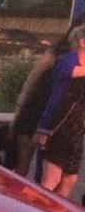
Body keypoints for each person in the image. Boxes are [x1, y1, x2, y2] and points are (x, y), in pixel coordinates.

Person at [9, 12, 85, 177]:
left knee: (43, 170)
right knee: (25, 168)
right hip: (38, 113)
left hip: (56, 119)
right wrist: (17, 115)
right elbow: (30, 84)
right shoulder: (56, 55)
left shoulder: (62, 55)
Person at [33, 24, 85, 199]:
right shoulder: (67, 61)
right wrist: (43, 129)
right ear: (82, 42)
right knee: (52, 178)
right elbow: (73, 73)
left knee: (69, 179)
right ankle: (39, 210)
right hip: (59, 124)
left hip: (77, 128)